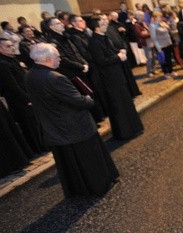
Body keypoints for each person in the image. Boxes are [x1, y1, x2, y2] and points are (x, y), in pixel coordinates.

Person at [25, 43, 119, 198]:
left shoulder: (30, 74)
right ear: (48, 59)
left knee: (70, 164)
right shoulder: (56, 78)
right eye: (57, 56)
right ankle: (99, 186)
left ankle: (79, 191)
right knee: (89, 159)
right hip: (74, 126)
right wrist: (89, 99)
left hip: (54, 128)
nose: (60, 59)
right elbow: (79, 102)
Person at [88, 17, 144, 140]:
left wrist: (121, 51)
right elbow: (101, 61)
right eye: (102, 23)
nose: (105, 24)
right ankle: (124, 132)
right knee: (118, 106)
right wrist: (118, 57)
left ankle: (133, 128)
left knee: (126, 103)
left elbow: (112, 52)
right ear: (96, 27)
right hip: (109, 78)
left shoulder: (104, 37)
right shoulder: (94, 42)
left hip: (117, 75)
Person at [0, 38, 47, 154]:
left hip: (26, 96)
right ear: (0, 49)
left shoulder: (12, 60)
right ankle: (38, 149)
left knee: (35, 123)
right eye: (8, 46)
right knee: (29, 126)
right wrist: (27, 99)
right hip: (19, 100)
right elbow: (12, 86)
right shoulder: (3, 64)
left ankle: (43, 146)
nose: (12, 47)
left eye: (12, 45)